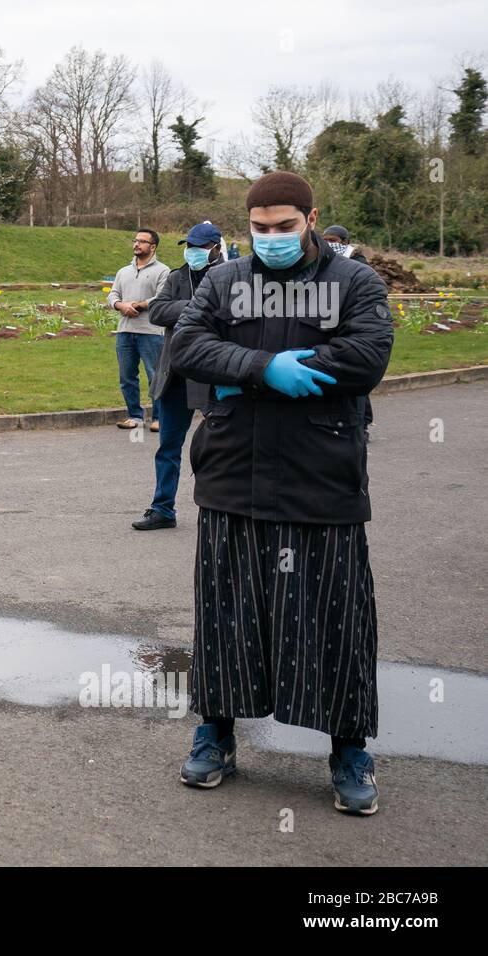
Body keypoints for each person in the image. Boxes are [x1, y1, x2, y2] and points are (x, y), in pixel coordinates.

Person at [170, 171, 392, 815]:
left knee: (337, 617)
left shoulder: (354, 283)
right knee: (226, 612)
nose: (271, 239)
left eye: (284, 228)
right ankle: (216, 734)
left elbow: (367, 356)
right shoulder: (223, 281)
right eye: (259, 229)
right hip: (233, 472)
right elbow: (187, 345)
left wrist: (245, 370)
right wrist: (265, 367)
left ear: (312, 218)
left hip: (322, 476)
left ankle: (349, 748)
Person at [132, 222, 224, 531]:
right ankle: (162, 509)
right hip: (175, 376)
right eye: (189, 247)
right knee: (168, 447)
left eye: (199, 248)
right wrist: (199, 306)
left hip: (213, 376)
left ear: (215, 249)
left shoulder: (232, 277)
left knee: (220, 449)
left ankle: (220, 510)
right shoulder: (176, 277)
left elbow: (229, 313)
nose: (192, 253)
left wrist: (183, 309)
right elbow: (157, 312)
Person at [107, 229, 170, 431]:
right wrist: (120, 305)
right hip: (125, 331)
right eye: (135, 240)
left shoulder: (163, 271)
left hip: (151, 332)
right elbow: (112, 295)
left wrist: (139, 305)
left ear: (153, 246)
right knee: (127, 377)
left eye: (142, 241)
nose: (136, 244)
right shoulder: (123, 272)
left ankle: (159, 417)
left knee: (155, 376)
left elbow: (162, 297)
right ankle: (135, 415)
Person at [323, 224, 379, 433]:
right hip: (330, 321)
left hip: (352, 322)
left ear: (345, 242)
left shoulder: (358, 263)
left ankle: (363, 422)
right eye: (326, 240)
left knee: (355, 375)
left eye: (334, 241)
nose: (329, 244)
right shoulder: (323, 260)